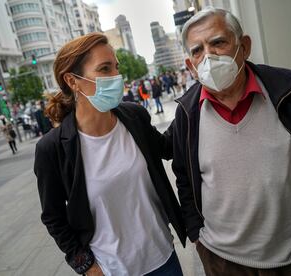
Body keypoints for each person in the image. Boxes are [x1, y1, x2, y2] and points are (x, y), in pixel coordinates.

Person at [172, 7, 291, 276]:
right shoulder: (187, 114)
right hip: (224, 261)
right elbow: (183, 177)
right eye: (197, 50)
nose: (208, 56)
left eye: (218, 42)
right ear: (191, 66)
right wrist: (196, 235)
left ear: (244, 46)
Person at [34, 33, 186, 276]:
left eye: (116, 67)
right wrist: (86, 266)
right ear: (73, 81)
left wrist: (195, 102)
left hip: (163, 258)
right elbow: (53, 217)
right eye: (104, 69)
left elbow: (168, 147)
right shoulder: (53, 149)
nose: (116, 77)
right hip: (112, 269)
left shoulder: (134, 117)